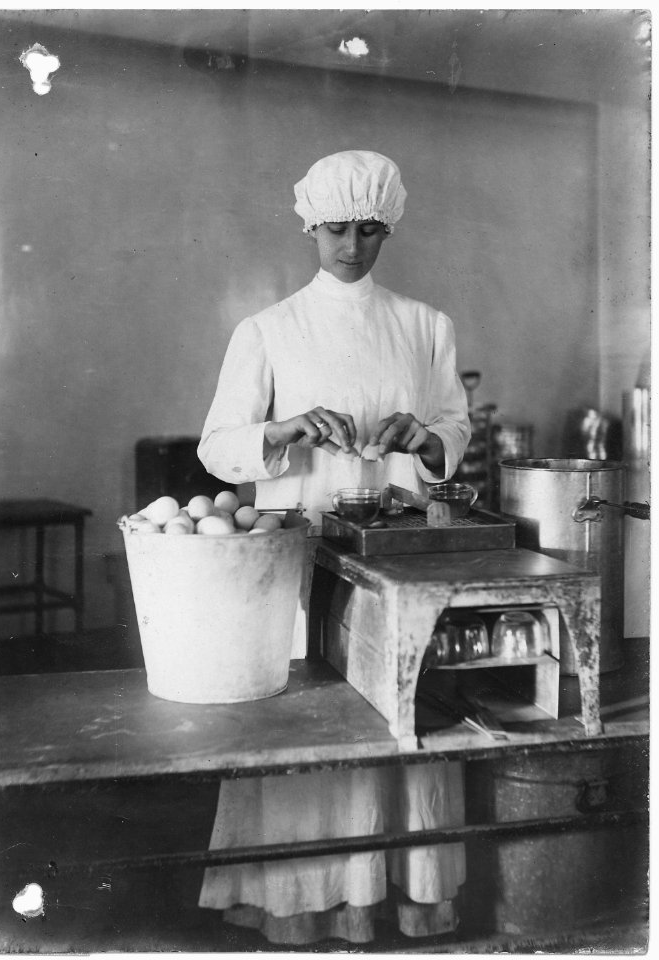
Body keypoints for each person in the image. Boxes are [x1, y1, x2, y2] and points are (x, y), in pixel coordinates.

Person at [197, 150, 471, 945]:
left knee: (399, 709)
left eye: (370, 230)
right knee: (307, 725)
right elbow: (219, 447)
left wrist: (422, 438)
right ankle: (301, 901)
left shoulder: (426, 325)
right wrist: (281, 431)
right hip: (301, 555)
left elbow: (454, 429)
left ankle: (399, 892)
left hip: (396, 559)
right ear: (309, 225)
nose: (352, 246)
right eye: (338, 229)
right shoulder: (268, 329)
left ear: (387, 228)